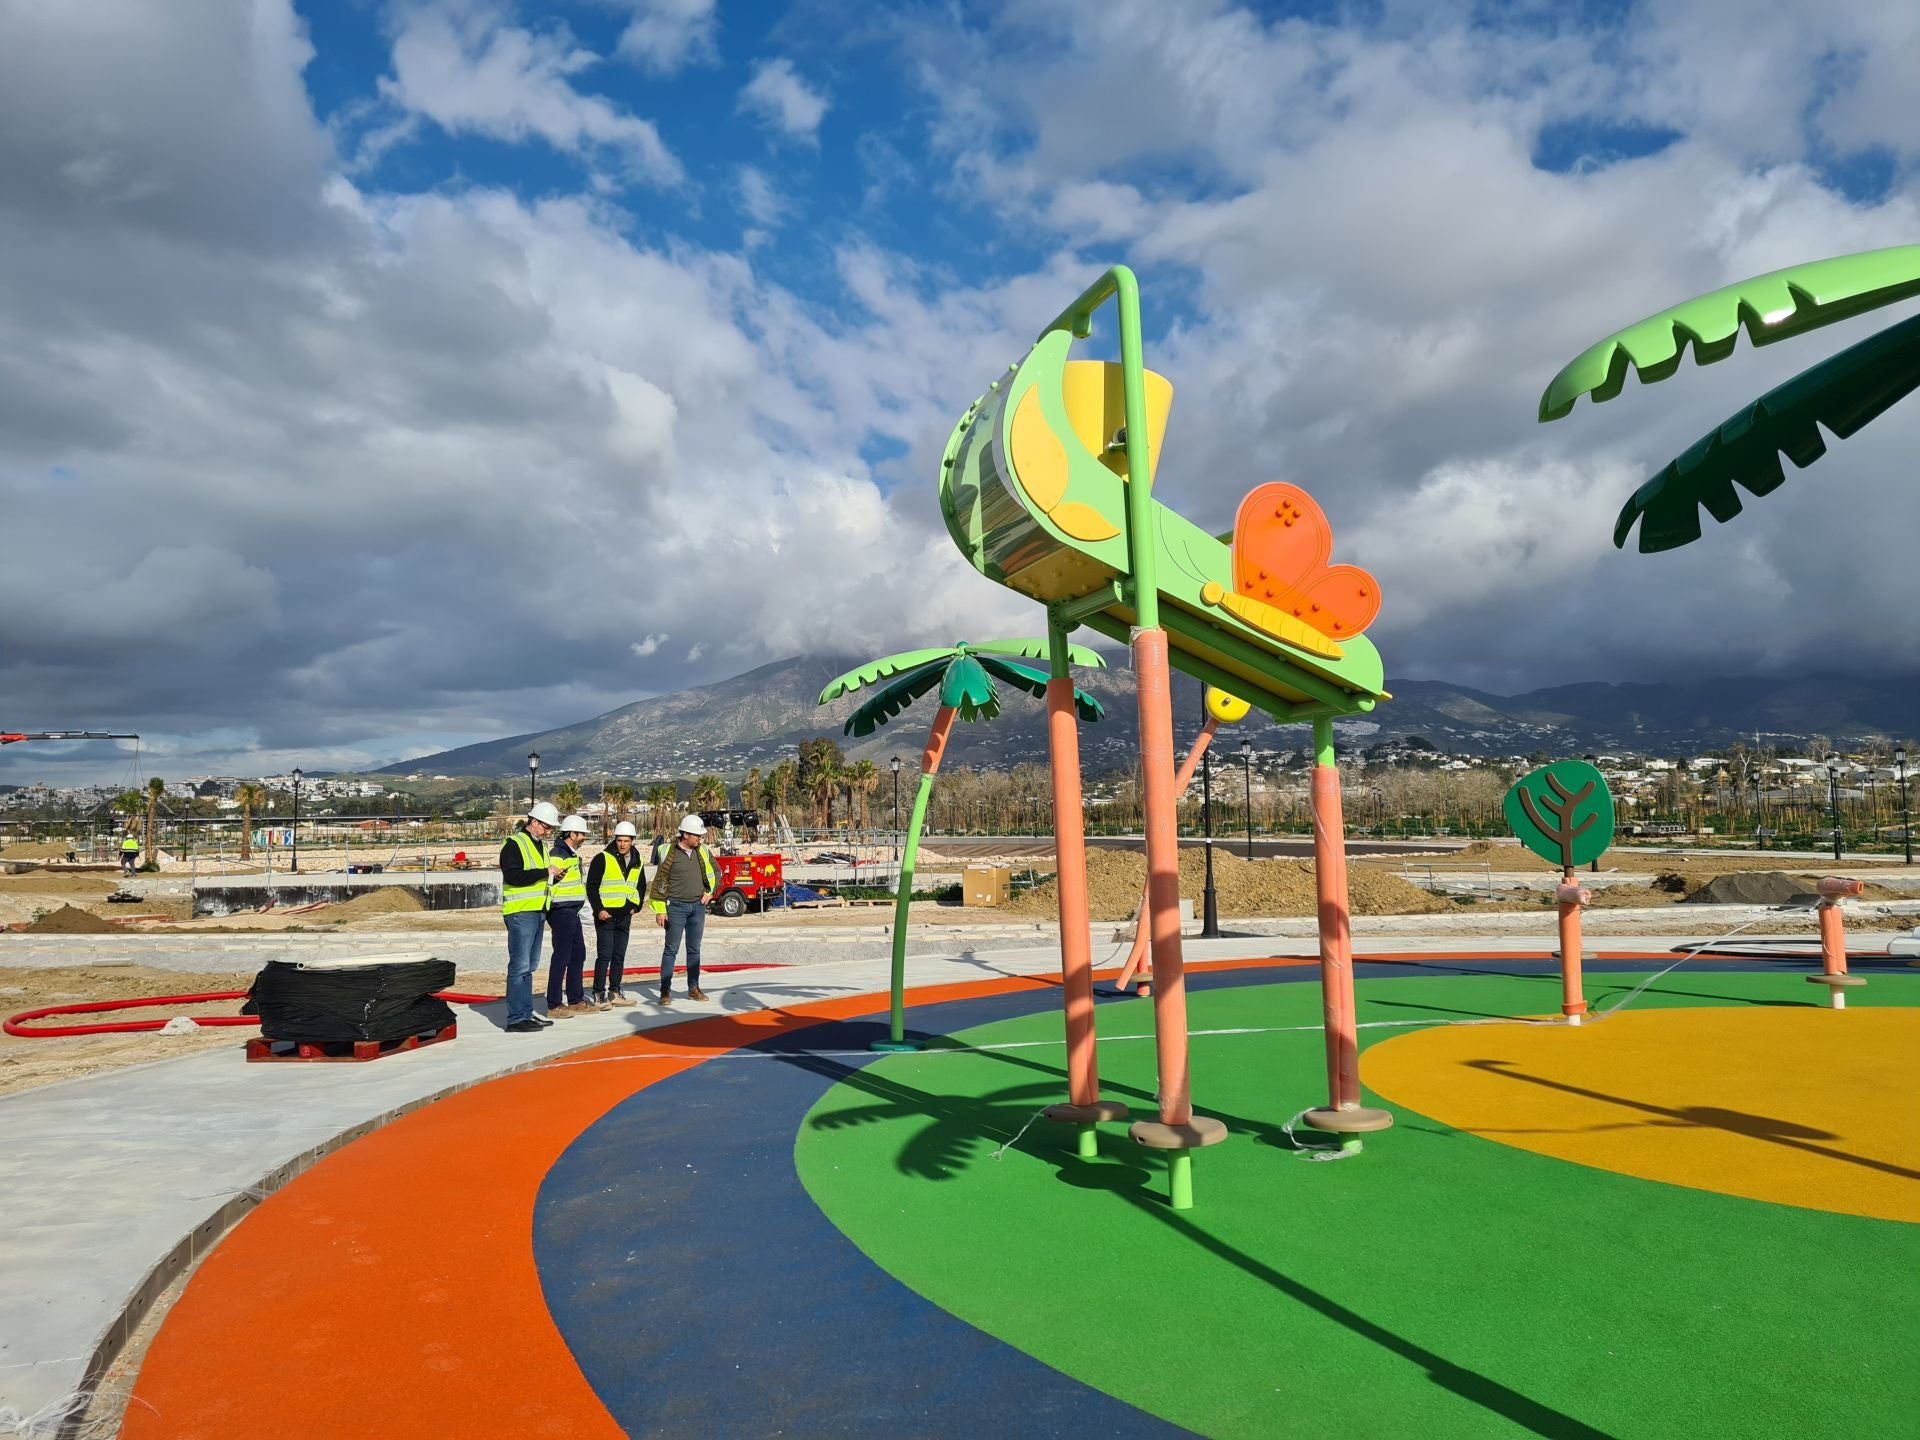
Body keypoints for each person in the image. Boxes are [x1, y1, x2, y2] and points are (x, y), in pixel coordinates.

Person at [499, 801, 563, 1034]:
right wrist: (544, 873)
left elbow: (537, 878)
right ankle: (516, 1018)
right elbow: (514, 876)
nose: (549, 832)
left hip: (537, 911)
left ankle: (525, 1013)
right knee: (520, 966)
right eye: (546, 827)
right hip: (521, 912)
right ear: (533, 822)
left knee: (530, 966)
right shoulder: (514, 844)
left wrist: (554, 878)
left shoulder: (540, 846)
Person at [647, 813, 716, 1006]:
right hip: (675, 908)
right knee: (671, 949)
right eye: (697, 835)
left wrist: (710, 892)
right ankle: (665, 991)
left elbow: (715, 872)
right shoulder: (668, 852)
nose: (700, 839)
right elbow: (660, 882)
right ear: (685, 834)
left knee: (694, 949)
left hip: (698, 907)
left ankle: (693, 988)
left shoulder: (702, 851)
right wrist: (660, 909)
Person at [588, 821, 644, 1007]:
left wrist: (636, 906)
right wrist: (599, 909)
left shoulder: (638, 860)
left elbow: (641, 886)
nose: (622, 844)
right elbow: (592, 887)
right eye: (619, 840)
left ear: (632, 841)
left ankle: (615, 991)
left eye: (626, 841)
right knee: (604, 955)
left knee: (619, 955)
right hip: (606, 916)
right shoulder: (602, 858)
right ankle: (598, 993)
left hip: (625, 916)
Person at [544, 814, 592, 1018]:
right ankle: (554, 1003)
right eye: (581, 834)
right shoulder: (558, 854)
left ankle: (575, 999)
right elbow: (551, 882)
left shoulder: (570, 855)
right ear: (572, 834)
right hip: (561, 911)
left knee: (578, 954)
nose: (583, 838)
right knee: (562, 956)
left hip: (572, 910)